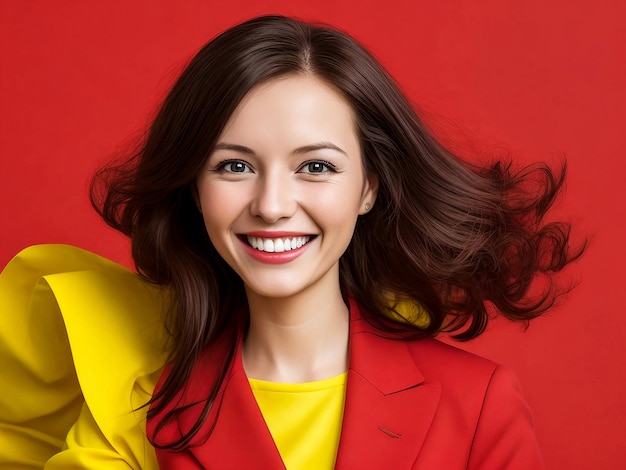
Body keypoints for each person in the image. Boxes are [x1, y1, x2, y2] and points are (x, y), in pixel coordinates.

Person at [0, 15, 583, 469]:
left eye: (317, 168)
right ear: (194, 190)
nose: (273, 204)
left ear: (368, 188)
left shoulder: (478, 404)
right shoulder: (131, 407)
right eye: (233, 167)